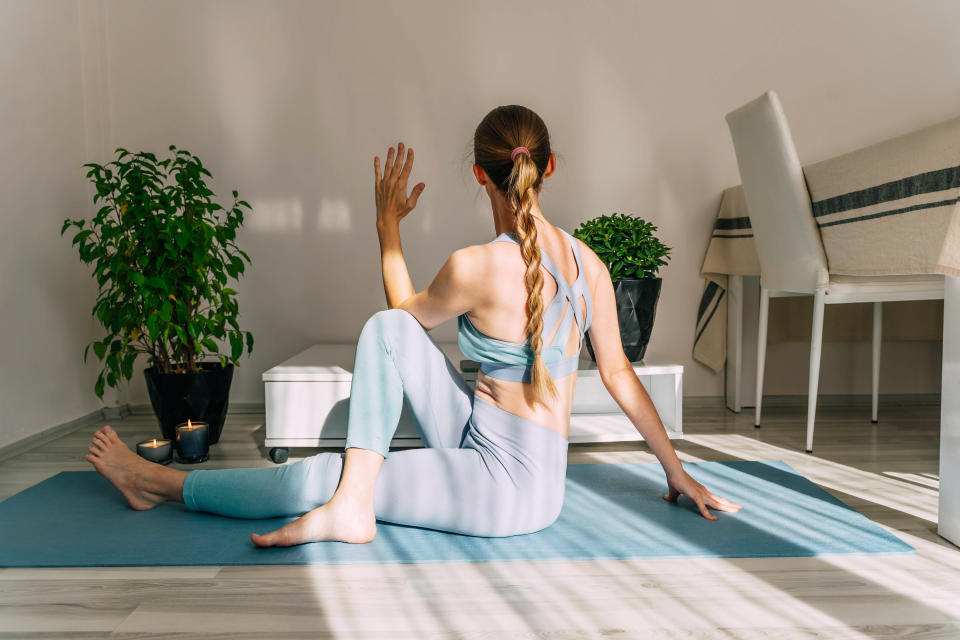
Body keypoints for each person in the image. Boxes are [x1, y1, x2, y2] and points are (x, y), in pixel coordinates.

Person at [85, 105, 742, 548]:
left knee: (328, 477)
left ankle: (160, 482)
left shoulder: (473, 265)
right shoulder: (587, 262)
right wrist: (676, 472)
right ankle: (354, 500)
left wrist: (386, 224)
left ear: (481, 175)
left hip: (506, 493)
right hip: (504, 455)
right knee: (387, 331)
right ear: (547, 168)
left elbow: (407, 310)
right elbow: (620, 377)